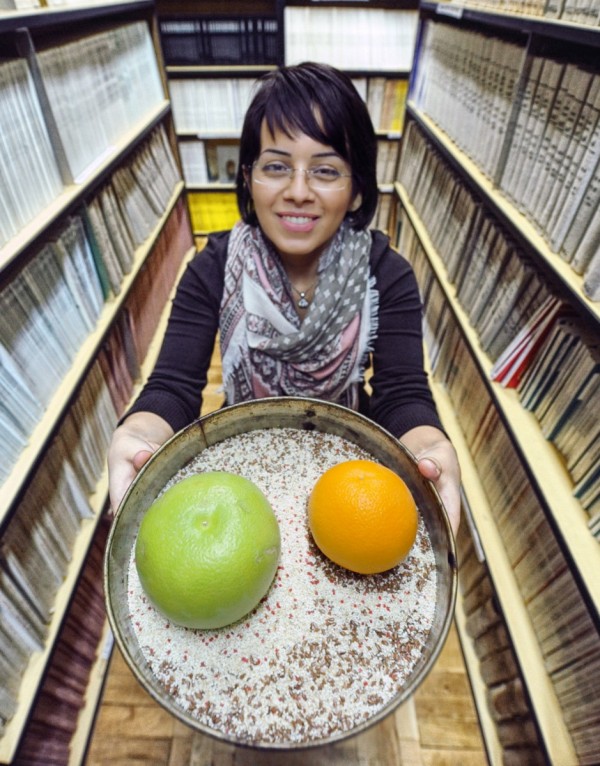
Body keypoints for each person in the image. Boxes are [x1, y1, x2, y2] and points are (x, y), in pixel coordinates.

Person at [108, 62, 461, 535]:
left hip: (351, 480)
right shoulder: (212, 266)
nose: (298, 192)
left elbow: (402, 395)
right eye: (276, 167)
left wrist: (429, 450)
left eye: (325, 170)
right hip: (241, 473)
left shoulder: (386, 272)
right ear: (249, 179)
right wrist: (138, 436)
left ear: (356, 190)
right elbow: (173, 387)